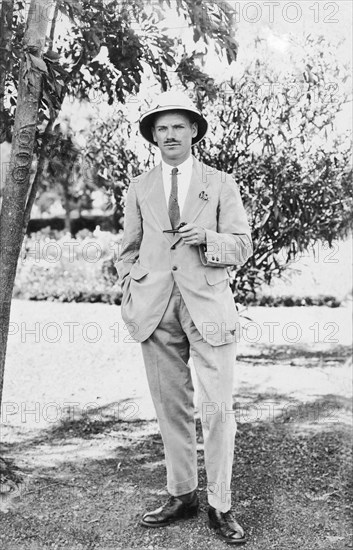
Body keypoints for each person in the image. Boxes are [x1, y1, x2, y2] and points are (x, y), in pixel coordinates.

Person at [116, 90, 253, 545]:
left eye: (178, 126)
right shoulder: (140, 187)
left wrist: (209, 237)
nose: (170, 134)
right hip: (155, 310)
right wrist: (133, 284)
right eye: (161, 128)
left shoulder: (221, 183)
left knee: (217, 409)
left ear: (194, 130)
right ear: (152, 136)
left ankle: (220, 504)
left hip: (208, 307)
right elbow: (128, 249)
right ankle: (182, 494)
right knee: (169, 407)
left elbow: (242, 245)